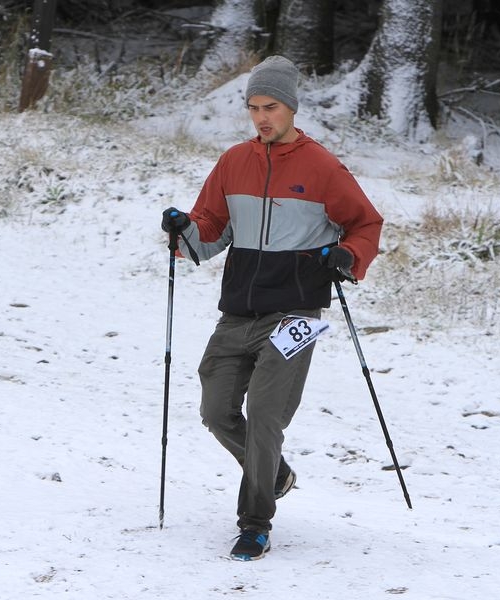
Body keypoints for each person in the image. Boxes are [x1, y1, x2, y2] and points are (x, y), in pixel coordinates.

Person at [160, 55, 383, 561]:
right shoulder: (234, 162)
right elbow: (209, 231)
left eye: (272, 107)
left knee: (264, 413)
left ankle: (255, 523)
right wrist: (183, 231)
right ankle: (275, 472)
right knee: (215, 410)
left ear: (291, 108)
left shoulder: (322, 167)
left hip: (296, 313)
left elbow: (366, 225)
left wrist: (346, 256)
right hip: (239, 310)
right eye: (254, 107)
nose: (262, 117)